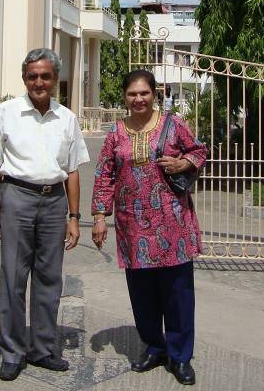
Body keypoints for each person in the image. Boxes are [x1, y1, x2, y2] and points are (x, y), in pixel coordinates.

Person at [91, 69, 208, 386]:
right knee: (142, 294)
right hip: (132, 227)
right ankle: (155, 347)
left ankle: (180, 356)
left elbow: (199, 150)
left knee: (178, 294)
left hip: (172, 224)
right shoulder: (116, 133)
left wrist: (183, 163)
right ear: (125, 97)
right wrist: (100, 216)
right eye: (132, 94)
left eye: (144, 93)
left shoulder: (173, 124)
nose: (138, 99)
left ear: (154, 94)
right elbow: (104, 175)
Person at [0, 48, 90, 381]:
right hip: (16, 197)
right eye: (32, 76)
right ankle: (12, 352)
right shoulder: (5, 113)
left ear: (55, 79)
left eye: (45, 76)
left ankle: (43, 349)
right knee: (13, 278)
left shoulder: (67, 118)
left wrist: (73, 217)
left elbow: (72, 170)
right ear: (24, 78)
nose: (39, 82)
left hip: (53, 202)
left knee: (49, 279)